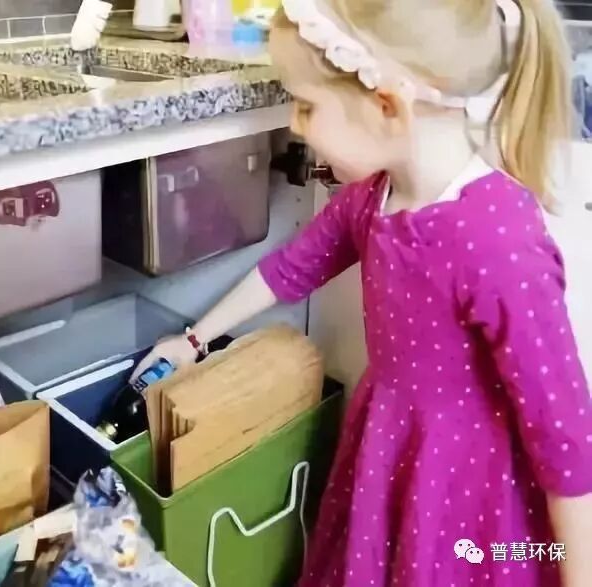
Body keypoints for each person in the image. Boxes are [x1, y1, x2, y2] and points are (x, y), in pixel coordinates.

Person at [134, 0, 592, 584]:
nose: (295, 126)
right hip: (385, 455)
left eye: (306, 106)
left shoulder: (497, 242)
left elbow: (565, 441)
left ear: (387, 106)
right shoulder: (374, 200)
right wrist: (193, 340)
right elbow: (290, 269)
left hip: (464, 499)